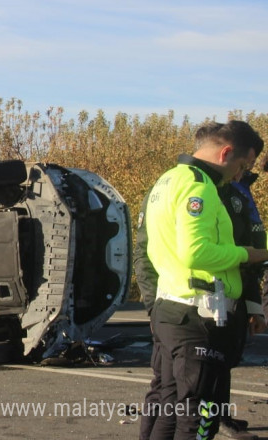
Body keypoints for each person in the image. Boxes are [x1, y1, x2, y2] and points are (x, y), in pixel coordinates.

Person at [141, 120, 268, 439]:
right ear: (226, 153)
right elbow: (195, 252)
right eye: (242, 166)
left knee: (170, 408)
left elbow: (151, 248)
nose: (240, 175)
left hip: (172, 305)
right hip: (197, 313)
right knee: (198, 418)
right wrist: (247, 254)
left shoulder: (169, 179)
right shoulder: (199, 186)